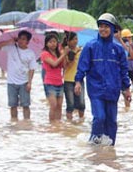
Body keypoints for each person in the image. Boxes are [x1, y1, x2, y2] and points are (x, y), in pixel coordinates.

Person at [74, 13, 131, 145]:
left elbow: (124, 70)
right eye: (101, 26)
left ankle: (110, 150)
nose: (103, 29)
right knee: (99, 117)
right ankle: (94, 145)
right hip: (96, 89)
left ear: (112, 28)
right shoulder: (90, 46)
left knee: (111, 121)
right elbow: (82, 66)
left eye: (106, 26)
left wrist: (127, 89)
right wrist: (78, 81)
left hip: (113, 89)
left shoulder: (118, 49)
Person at [0, 30, 38, 120]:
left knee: (26, 105)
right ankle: (14, 123)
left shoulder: (30, 53)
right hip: (11, 82)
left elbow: (32, 69)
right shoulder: (11, 48)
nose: (21, 41)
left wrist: (30, 83)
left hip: (24, 82)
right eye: (19, 38)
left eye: (23, 39)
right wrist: (10, 41)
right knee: (12, 105)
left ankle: (27, 122)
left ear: (28, 42)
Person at [40, 33, 65, 122]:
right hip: (50, 83)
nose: (53, 44)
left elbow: (63, 66)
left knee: (59, 106)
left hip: (59, 82)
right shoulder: (44, 54)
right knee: (53, 105)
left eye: (54, 41)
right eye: (50, 42)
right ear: (46, 43)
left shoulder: (59, 53)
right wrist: (63, 54)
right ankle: (51, 124)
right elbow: (54, 64)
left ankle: (57, 124)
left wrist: (65, 55)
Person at [62, 32, 86, 121]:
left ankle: (81, 121)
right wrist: (68, 53)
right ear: (68, 41)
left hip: (79, 80)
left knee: (81, 103)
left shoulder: (81, 51)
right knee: (70, 104)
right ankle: (69, 123)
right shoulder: (65, 51)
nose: (75, 41)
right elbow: (64, 66)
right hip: (68, 80)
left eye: (76, 39)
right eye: (73, 39)